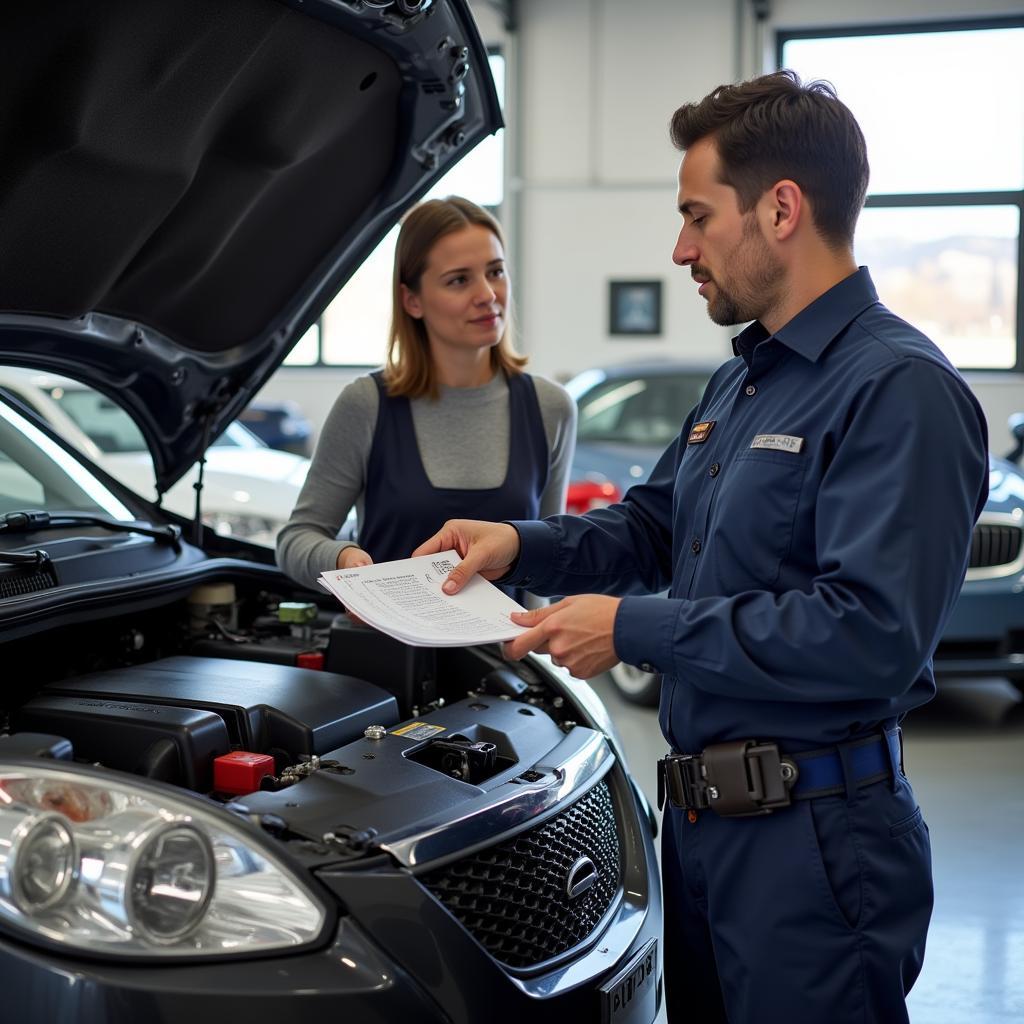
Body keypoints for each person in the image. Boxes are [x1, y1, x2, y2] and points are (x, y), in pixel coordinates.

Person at [413, 72, 989, 1023]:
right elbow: (651, 526)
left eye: (695, 216)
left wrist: (632, 630)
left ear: (781, 209)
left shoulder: (899, 390)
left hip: (816, 846)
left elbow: (870, 633)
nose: (680, 249)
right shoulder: (745, 383)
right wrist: (518, 543)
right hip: (704, 832)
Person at [276, 196, 576, 595]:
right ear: (412, 300)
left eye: (495, 272)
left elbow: (546, 565)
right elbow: (296, 539)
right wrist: (343, 560)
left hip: (499, 654)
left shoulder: (550, 408)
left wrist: (534, 651)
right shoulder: (367, 405)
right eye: (459, 280)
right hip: (386, 654)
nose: (487, 294)